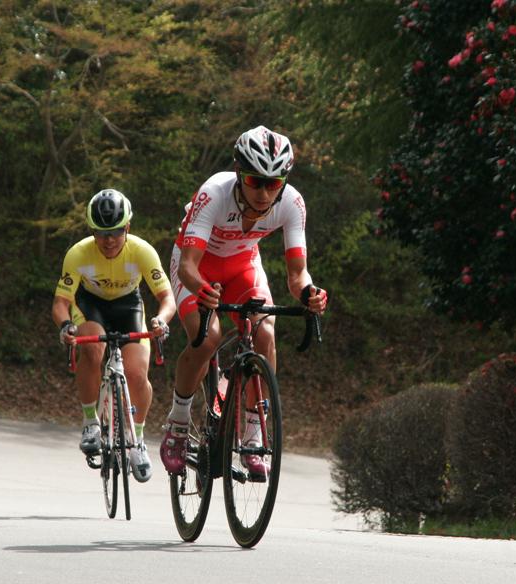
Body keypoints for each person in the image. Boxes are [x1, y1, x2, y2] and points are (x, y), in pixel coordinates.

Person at [160, 126, 328, 477]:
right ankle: (177, 424)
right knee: (207, 338)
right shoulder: (214, 193)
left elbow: (298, 275)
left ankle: (253, 432)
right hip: (196, 267)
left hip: (241, 266)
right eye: (255, 181)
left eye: (274, 183)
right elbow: (189, 266)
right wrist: (204, 291)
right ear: (239, 174)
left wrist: (310, 294)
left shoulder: (292, 203)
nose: (265, 193)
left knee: (265, 329)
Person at [53, 189, 176, 483]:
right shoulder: (78, 254)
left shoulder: (143, 251)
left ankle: (140, 439)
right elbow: (61, 302)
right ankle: (90, 422)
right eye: (101, 233)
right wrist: (65, 326)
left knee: (136, 373)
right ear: (92, 231)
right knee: (93, 351)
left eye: (116, 232)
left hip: (128, 306)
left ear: (128, 228)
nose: (109, 240)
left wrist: (161, 320)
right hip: (90, 306)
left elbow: (167, 297)